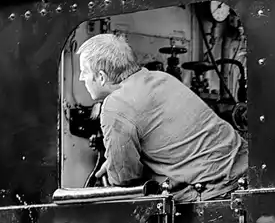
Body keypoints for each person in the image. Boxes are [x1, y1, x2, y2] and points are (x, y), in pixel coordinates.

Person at [77, 33, 248, 202]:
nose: (81, 78)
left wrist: (117, 166)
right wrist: (116, 159)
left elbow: (125, 180)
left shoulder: (115, 105)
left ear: (101, 76)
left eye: (84, 72)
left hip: (217, 189)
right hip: (245, 170)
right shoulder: (161, 78)